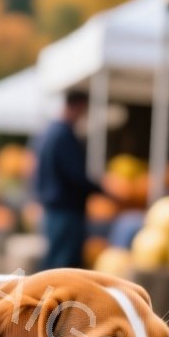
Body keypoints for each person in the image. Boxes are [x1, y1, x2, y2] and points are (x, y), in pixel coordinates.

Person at [33, 91, 107, 270]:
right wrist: (102, 190)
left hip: (54, 209)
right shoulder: (63, 135)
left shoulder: (49, 132)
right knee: (64, 265)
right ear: (77, 106)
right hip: (66, 211)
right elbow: (76, 175)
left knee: (54, 262)